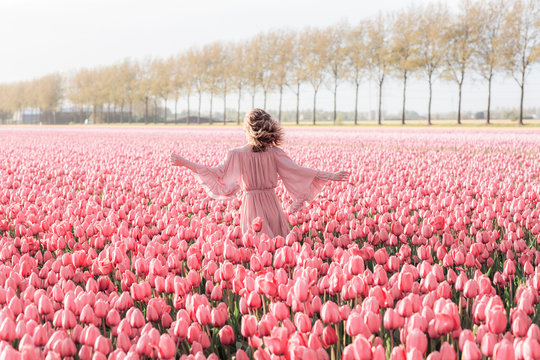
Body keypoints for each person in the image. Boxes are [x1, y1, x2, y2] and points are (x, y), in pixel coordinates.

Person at [170, 108, 349, 238]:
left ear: (248, 129)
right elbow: (298, 171)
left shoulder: (236, 155)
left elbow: (215, 173)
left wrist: (186, 163)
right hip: (272, 204)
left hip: (252, 205)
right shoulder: (274, 153)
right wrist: (330, 175)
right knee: (276, 248)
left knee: (257, 248)